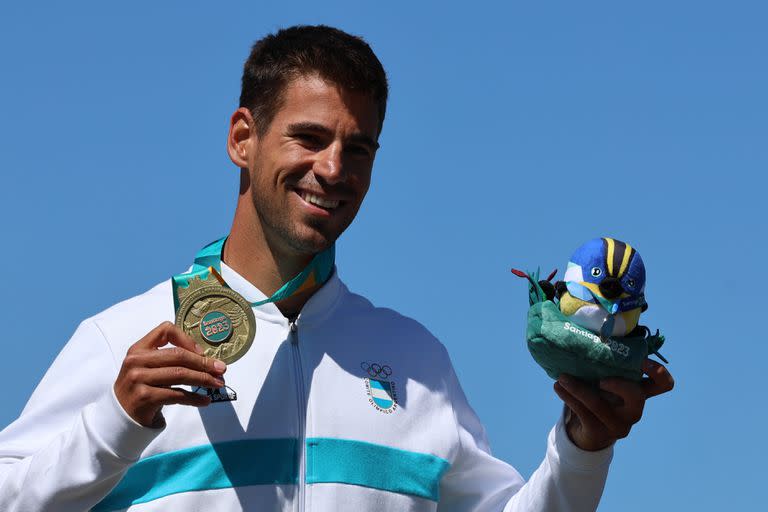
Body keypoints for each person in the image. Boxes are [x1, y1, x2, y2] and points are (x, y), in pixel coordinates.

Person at [0, 25, 673, 511]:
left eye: (358, 148)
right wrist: (113, 425)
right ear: (243, 137)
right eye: (310, 137)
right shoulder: (125, 340)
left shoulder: (415, 361)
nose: (333, 169)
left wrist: (584, 447)